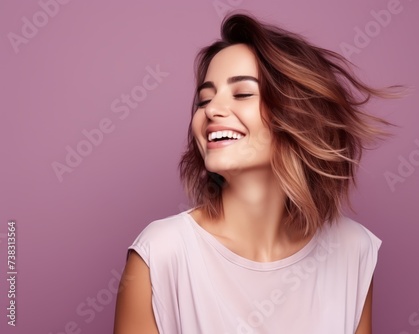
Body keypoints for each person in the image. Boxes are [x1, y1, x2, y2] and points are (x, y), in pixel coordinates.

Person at [114, 12, 399, 334]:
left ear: (296, 113)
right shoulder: (161, 254)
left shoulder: (352, 249)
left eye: (243, 93)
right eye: (204, 99)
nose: (211, 110)